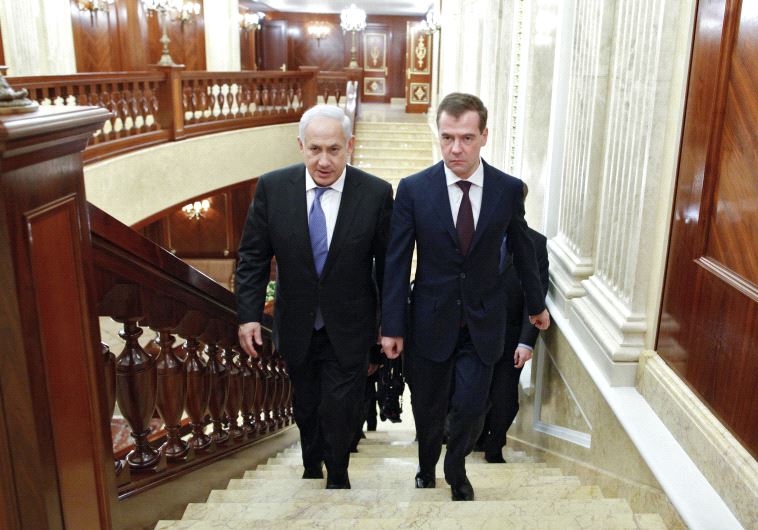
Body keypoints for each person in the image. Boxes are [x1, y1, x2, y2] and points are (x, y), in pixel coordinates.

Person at [380, 93, 550, 501]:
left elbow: (523, 248)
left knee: (473, 406)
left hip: (483, 320)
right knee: (428, 407)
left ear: (484, 136)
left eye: (466, 138)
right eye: (447, 138)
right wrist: (392, 325)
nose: (456, 148)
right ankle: (426, 465)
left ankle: (455, 468)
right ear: (439, 136)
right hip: (428, 319)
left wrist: (536, 304)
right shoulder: (414, 189)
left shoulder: (507, 190)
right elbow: (397, 262)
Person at [236, 104, 393, 489]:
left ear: (349, 146)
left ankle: (338, 474)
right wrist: (249, 314)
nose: (324, 161)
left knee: (341, 406)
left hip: (351, 324)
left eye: (334, 150)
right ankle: (311, 464)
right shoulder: (273, 188)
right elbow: (253, 255)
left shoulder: (375, 193)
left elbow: (388, 265)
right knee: (306, 404)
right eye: (315, 149)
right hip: (296, 322)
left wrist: (390, 324)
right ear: (301, 146)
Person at [477, 184, 549, 463]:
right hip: (474, 331)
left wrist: (526, 341)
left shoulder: (535, 243)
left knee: (505, 397)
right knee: (472, 392)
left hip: (510, 334)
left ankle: (494, 446)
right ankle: (473, 438)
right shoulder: (476, 235)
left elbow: (536, 295)